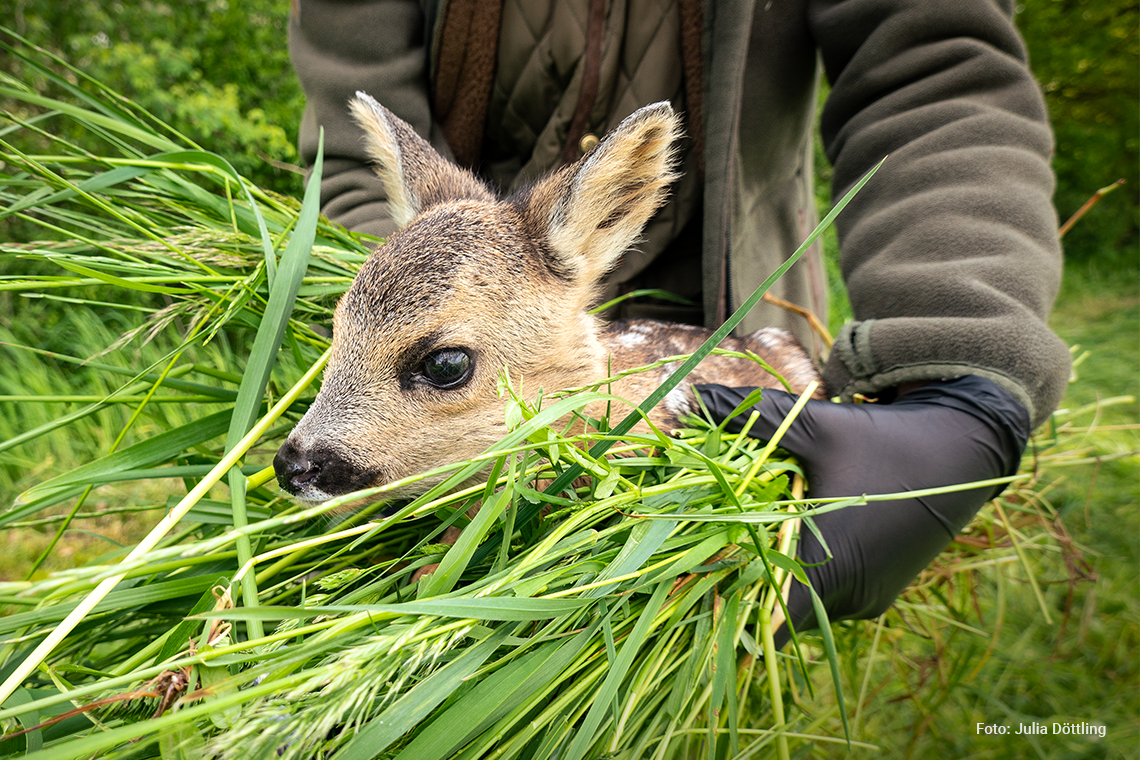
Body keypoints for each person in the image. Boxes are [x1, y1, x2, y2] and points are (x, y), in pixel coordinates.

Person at [288, 0, 1071, 644]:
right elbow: (351, 131)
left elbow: (933, 64)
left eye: (442, 366)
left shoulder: (752, 364)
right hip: (460, 327)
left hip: (740, 321)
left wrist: (960, 362)